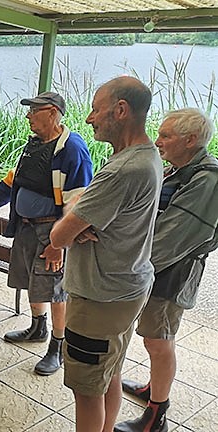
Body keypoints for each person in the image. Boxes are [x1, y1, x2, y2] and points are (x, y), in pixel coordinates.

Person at [50, 76, 162, 432]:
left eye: (96, 110)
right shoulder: (149, 156)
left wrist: (76, 216)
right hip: (126, 288)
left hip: (100, 296)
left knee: (86, 391)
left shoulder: (121, 170)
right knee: (109, 372)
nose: (89, 119)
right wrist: (82, 216)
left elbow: (58, 236)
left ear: (121, 110)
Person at [0, 91, 93, 376]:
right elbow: (13, 181)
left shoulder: (72, 148)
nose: (28, 117)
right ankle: (38, 327)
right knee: (30, 280)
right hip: (26, 226)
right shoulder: (34, 144)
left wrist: (59, 244)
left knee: (55, 290)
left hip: (51, 231)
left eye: (33, 111)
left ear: (51, 112)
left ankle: (57, 347)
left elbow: (78, 202)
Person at [115, 108, 218, 432]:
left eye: (165, 136)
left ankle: (156, 415)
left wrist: (127, 271)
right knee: (154, 338)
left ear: (190, 140)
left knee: (159, 340)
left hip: (172, 274)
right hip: (158, 268)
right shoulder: (182, 168)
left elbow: (170, 240)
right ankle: (152, 389)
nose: (157, 141)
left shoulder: (206, 179)